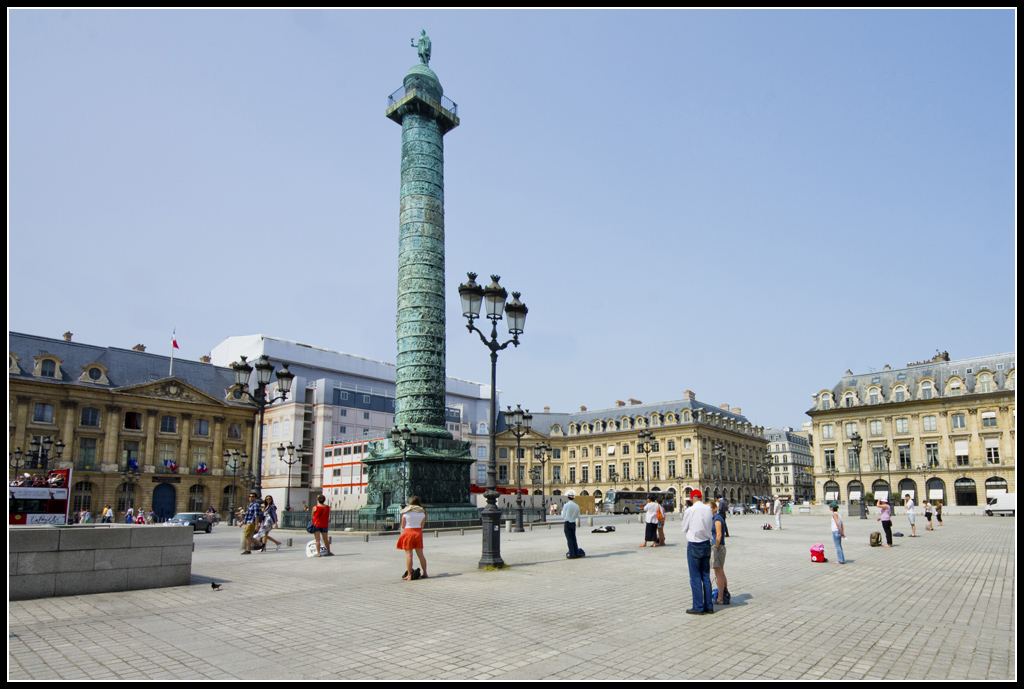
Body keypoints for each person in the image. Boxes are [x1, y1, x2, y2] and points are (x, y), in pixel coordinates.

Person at [680, 489, 714, 615]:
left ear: (691, 498)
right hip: (706, 544)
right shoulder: (708, 509)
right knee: (705, 576)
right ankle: (709, 606)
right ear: (701, 497)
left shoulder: (690, 510)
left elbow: (684, 528)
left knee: (695, 577)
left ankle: (698, 607)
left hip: (694, 544)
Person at [397, 496, 428, 580]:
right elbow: (422, 526)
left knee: (409, 555)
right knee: (421, 555)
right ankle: (425, 573)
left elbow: (403, 525)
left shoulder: (406, 513)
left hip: (408, 533)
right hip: (418, 533)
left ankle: (409, 575)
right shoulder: (422, 513)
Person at [711, 498, 729, 604]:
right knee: (720, 571)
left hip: (718, 546)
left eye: (710, 508)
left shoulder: (717, 519)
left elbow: (719, 534)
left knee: (718, 573)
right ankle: (724, 592)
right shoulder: (715, 518)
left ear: (715, 508)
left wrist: (716, 547)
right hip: (719, 546)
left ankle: (720, 598)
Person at [562, 490, 583, 559]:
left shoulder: (566, 505)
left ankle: (572, 553)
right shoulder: (576, 506)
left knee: (569, 539)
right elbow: (578, 516)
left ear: (568, 497)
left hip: (567, 522)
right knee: (574, 538)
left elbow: (563, 515)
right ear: (573, 498)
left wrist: (567, 517)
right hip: (573, 523)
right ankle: (576, 552)